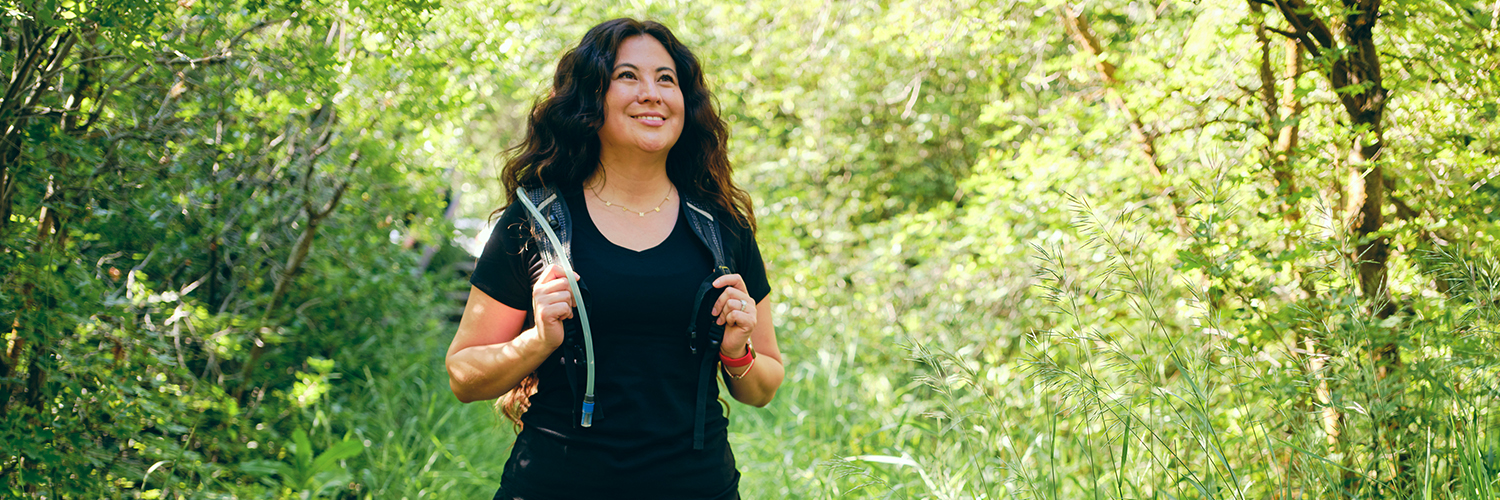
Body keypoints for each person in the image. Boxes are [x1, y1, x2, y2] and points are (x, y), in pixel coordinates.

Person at [445, 18, 784, 500]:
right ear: (592, 98)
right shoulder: (538, 221)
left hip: (697, 487)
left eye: (666, 79)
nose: (651, 93)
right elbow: (463, 376)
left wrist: (737, 351)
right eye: (628, 76)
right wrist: (536, 341)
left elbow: (763, 388)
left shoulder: (721, 226)